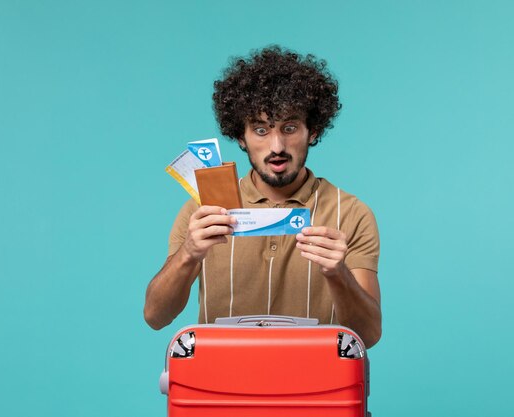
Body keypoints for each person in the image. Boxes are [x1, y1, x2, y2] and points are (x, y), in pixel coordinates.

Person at [144, 46, 382, 348]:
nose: (277, 145)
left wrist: (338, 274)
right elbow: (155, 316)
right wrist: (189, 253)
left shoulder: (352, 214)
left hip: (316, 387)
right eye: (261, 129)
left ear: (313, 131)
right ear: (241, 137)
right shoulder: (202, 210)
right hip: (221, 386)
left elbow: (369, 335)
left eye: (290, 127)